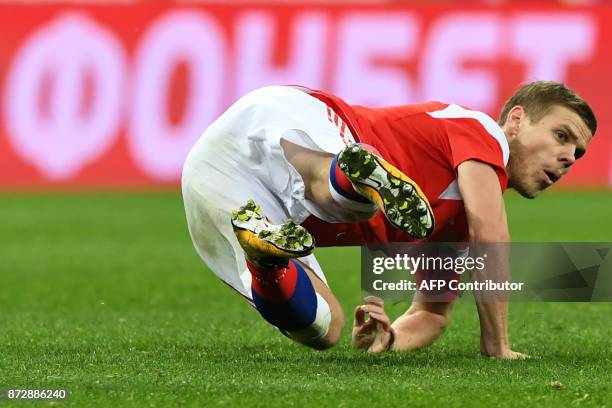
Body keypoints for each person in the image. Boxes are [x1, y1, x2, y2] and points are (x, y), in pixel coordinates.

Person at [181, 81, 596, 357]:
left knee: (323, 327)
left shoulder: (454, 231)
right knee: (348, 200)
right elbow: (492, 232)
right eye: (562, 136)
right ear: (517, 119)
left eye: (578, 154)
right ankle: (353, 172)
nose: (568, 157)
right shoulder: (481, 130)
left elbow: (432, 315)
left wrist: (391, 337)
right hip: (285, 122)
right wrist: (497, 344)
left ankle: (265, 259)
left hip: (217, 180)